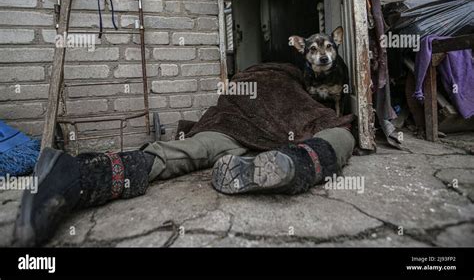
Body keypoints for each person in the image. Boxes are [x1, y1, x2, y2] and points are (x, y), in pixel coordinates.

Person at [14, 63, 356, 247]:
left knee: (187, 151)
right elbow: (301, 106)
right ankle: (295, 162)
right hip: (250, 121)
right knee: (340, 133)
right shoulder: (286, 76)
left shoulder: (261, 80)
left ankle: (82, 175)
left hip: (229, 127)